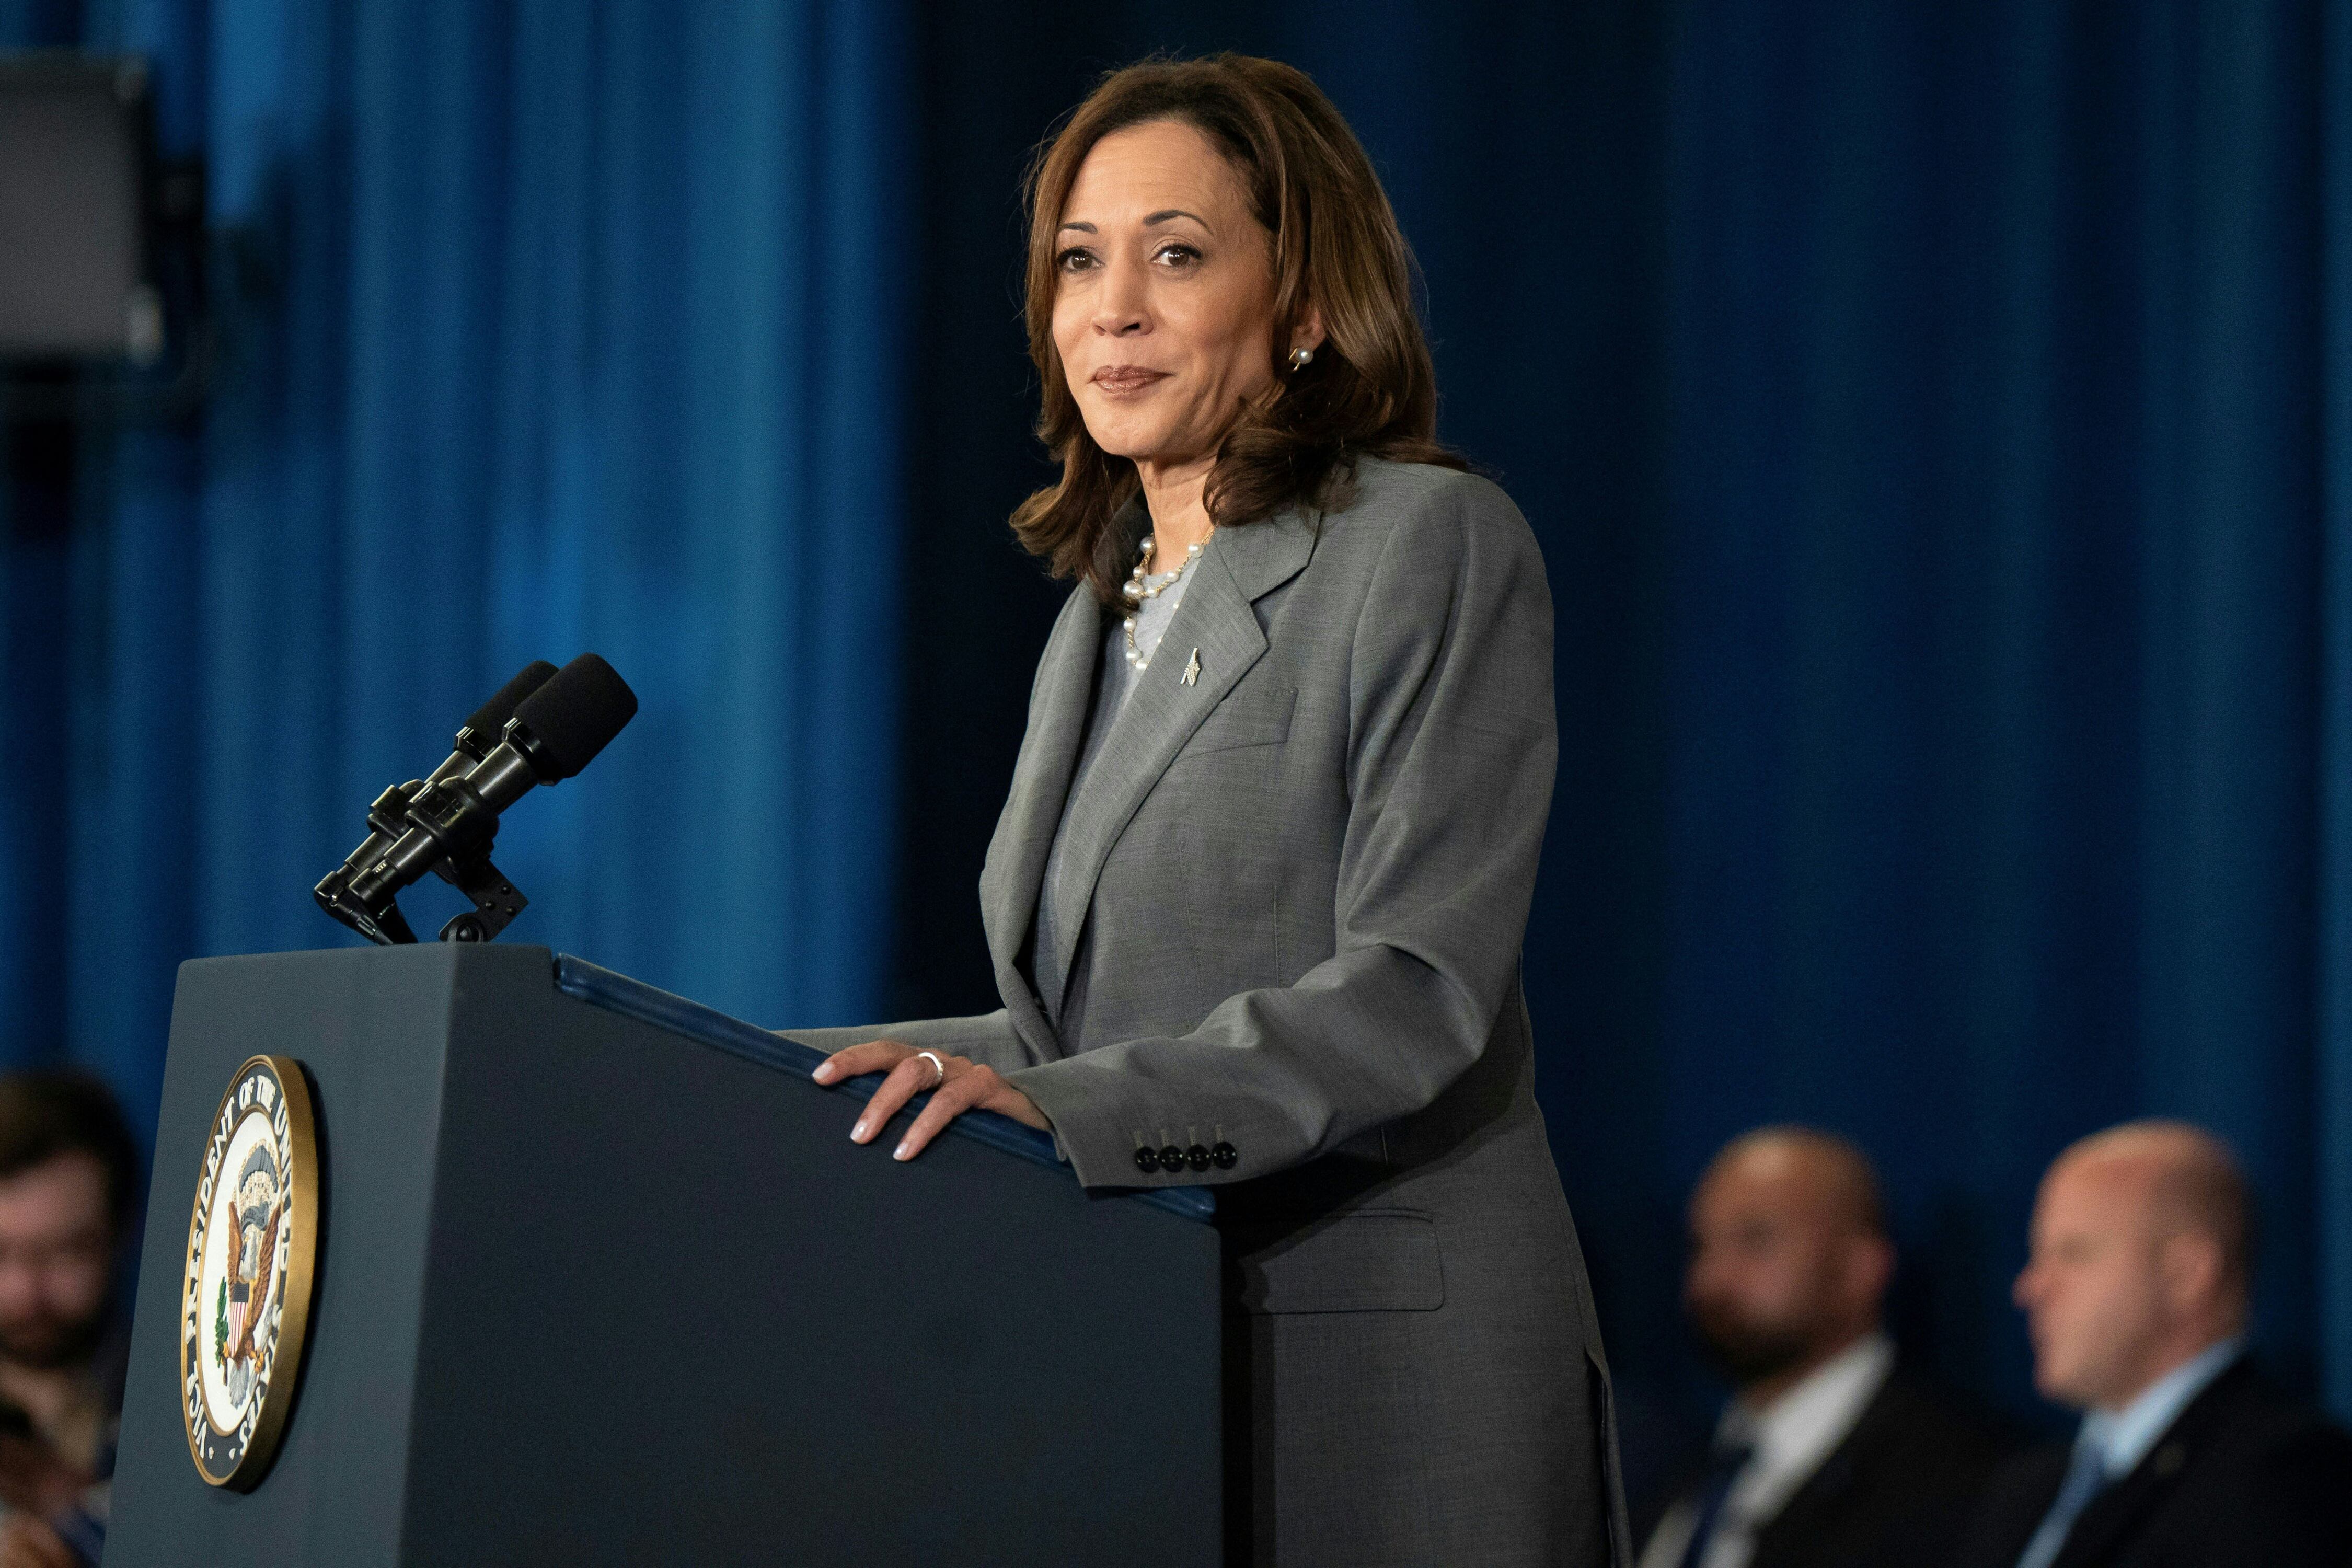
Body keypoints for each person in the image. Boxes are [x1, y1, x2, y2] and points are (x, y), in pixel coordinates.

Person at [786, 53, 1625, 1568]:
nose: (1112, 309)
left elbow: (1415, 993)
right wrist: (785, 1076)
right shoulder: (1101, 609)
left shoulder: (1425, 544)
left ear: (1302, 308)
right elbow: (1073, 1035)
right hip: (1150, 1349)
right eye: (1078, 262)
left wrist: (1068, 1108)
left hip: (1381, 1365)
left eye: (1176, 255)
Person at [1951, 1121, 2352, 1568]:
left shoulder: (2288, 1479)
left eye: (2073, 1252)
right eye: (2037, 1256)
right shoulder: (2024, 1487)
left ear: (2186, 1275)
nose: (2029, 1288)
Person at [1638, 1128, 2007, 1568]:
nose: (1712, 1278)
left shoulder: (1970, 1483)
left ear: (1861, 1268)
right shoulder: (1666, 1468)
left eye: (1755, 1239)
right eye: (1701, 1245)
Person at [0, 1072, 140, 1568]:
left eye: (64, 1252)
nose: (23, 1292)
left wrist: (88, 1525)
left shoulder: (173, 1414)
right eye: (1, 1253)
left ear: (120, 1237)